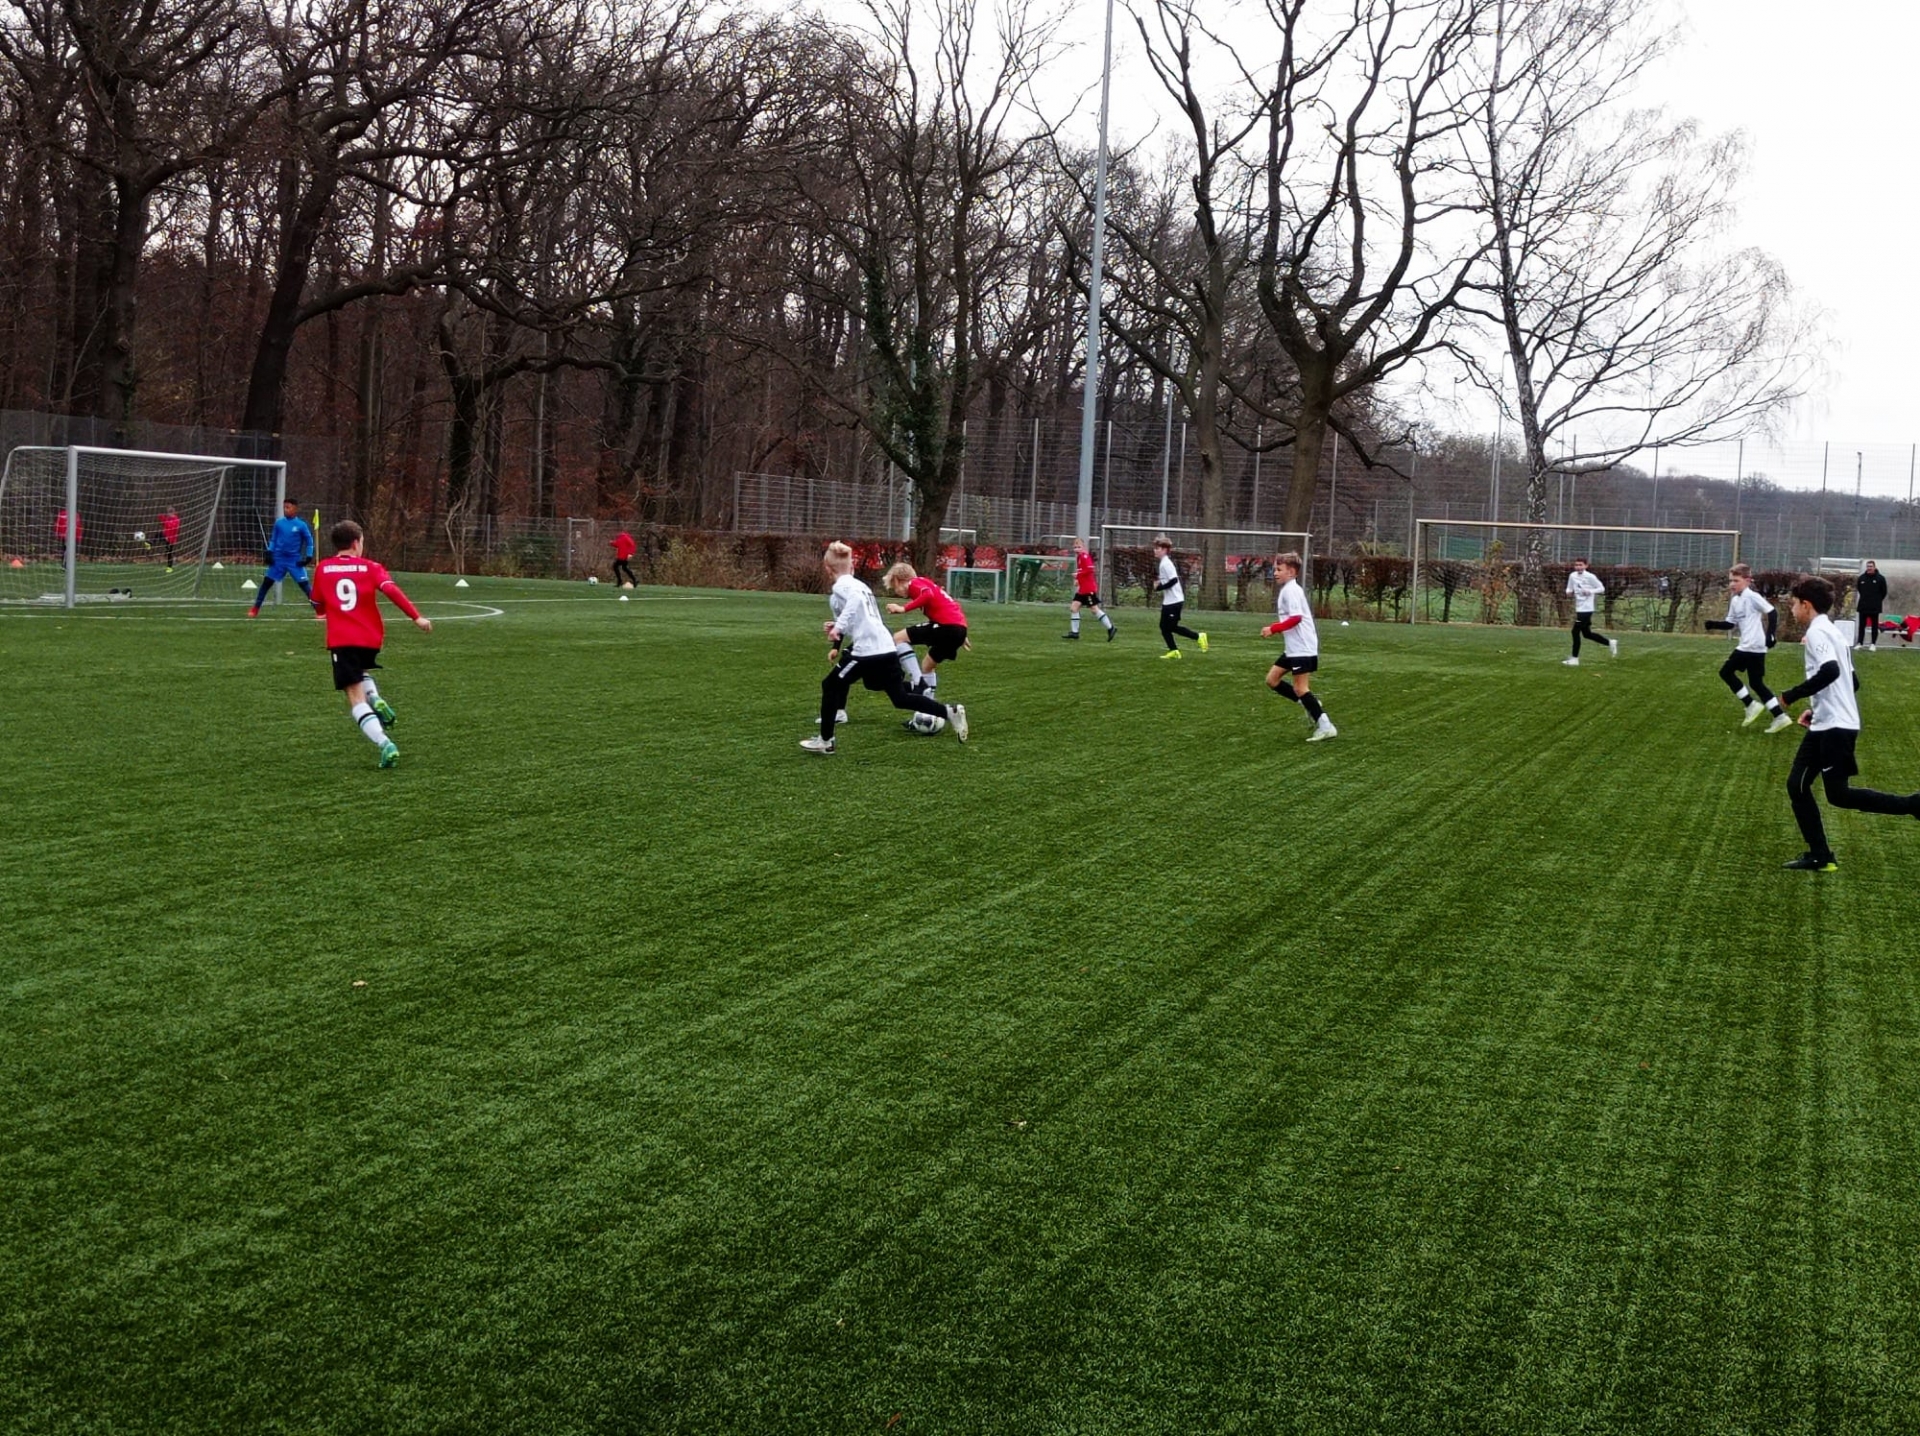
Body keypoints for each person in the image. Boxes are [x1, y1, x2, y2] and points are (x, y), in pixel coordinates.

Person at [1777, 574, 1919, 871]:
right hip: (1827, 724)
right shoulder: (1833, 632)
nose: (1792, 609)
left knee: (1838, 794)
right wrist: (1817, 710)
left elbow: (1830, 671)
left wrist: (1792, 695)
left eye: (1793, 604)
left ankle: (1913, 805)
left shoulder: (1818, 632)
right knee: (1797, 785)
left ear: (1806, 604)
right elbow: (1851, 681)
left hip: (1836, 728)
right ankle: (1820, 855)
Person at [802, 541, 967, 755]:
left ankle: (826, 741)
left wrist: (839, 627)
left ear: (827, 568)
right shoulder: (861, 586)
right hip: (887, 647)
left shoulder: (842, 586)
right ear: (852, 566)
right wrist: (838, 625)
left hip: (867, 649)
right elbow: (862, 617)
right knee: (899, 698)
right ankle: (949, 711)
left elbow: (854, 602)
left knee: (830, 685)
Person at [310, 521, 431, 768]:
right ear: (356, 543)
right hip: (370, 639)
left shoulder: (323, 568)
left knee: (355, 697)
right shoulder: (371, 567)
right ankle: (374, 697)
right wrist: (416, 617)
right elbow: (392, 590)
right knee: (360, 672)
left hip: (343, 640)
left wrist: (322, 610)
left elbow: (317, 603)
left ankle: (385, 743)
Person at [1703, 564, 1791, 733]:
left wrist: (1771, 635)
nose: (1732, 584)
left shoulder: (1752, 596)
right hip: (1753, 647)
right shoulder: (1735, 600)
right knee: (1756, 683)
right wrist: (1714, 624)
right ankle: (1780, 716)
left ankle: (1751, 705)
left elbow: (1772, 612)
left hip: (1751, 645)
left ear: (1748, 581)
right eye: (1730, 581)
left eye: (1736, 580)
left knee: (1726, 672)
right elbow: (1731, 624)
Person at [1262, 550, 1335, 742]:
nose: (1275, 573)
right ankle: (1310, 704)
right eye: (1275, 569)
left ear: (1292, 572)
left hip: (1302, 648)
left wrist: (1273, 629)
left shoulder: (1292, 591)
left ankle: (1326, 726)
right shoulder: (1288, 589)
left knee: (1301, 688)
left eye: (1279, 569)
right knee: (1272, 680)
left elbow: (1296, 618)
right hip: (1293, 649)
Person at [883, 561, 967, 704]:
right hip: (957, 628)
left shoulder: (914, 583)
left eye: (894, 587)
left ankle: (918, 683)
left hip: (947, 627)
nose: (896, 592)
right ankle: (928, 709)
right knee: (927, 666)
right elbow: (952, 604)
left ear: (897, 580)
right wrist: (962, 632)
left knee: (898, 638)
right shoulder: (926, 583)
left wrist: (903, 608)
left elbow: (928, 595)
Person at [248, 498, 315, 616]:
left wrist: (308, 556)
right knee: (266, 583)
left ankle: (319, 610)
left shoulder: (301, 525)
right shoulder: (279, 523)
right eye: (284, 507)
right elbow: (274, 539)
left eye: (288, 507)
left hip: (294, 560)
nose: (285, 509)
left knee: (305, 586)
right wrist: (269, 552)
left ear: (295, 509)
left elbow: (309, 541)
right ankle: (255, 608)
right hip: (279, 559)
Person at [1150, 535, 1206, 659]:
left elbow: (1174, 580)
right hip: (1169, 601)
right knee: (1164, 627)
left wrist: (1159, 587)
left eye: (1157, 548)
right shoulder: (1163, 563)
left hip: (1174, 601)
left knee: (1170, 627)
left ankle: (1198, 637)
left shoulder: (1166, 563)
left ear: (1164, 550)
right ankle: (1174, 651)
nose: (1155, 550)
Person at [1562, 557, 1616, 665]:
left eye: (1580, 565)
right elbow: (1569, 588)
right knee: (1587, 634)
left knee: (1575, 631)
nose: (1578, 567)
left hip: (1587, 609)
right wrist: (1568, 592)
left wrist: (1590, 591)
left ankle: (1574, 659)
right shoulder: (1572, 576)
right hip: (1579, 608)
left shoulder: (1590, 577)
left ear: (1586, 566)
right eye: (1576, 565)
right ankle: (1610, 643)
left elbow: (1601, 588)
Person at [1063, 538, 1116, 641]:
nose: (1077, 549)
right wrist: (1078, 580)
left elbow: (1090, 569)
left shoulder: (1085, 556)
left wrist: (1078, 575)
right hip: (1083, 588)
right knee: (1074, 608)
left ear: (1083, 547)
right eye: (1075, 547)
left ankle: (1111, 628)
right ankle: (1074, 633)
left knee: (1094, 609)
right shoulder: (1079, 557)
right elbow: (1082, 570)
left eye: (1079, 547)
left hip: (1088, 589)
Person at [1855, 559, 1888, 651]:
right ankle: (1860, 643)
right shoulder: (1861, 578)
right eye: (1868, 566)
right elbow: (1860, 589)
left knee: (1874, 626)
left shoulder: (1880, 578)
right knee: (1862, 626)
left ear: (1874, 567)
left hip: (1874, 607)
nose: (1869, 568)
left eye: (1871, 566)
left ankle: (1873, 644)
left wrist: (1876, 600)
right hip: (1863, 606)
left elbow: (1884, 592)